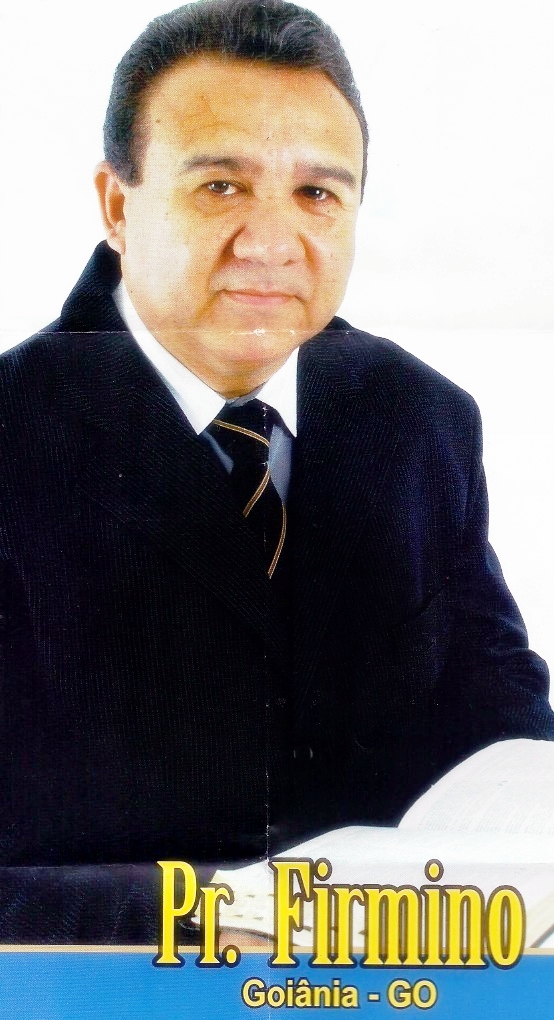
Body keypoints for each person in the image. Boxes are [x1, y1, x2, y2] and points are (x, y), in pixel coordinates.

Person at [0, 0, 553, 943]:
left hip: (396, 989)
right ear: (117, 206)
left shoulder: (420, 422)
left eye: (317, 195)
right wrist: (213, 915)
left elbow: (501, 735)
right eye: (221, 186)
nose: (270, 242)